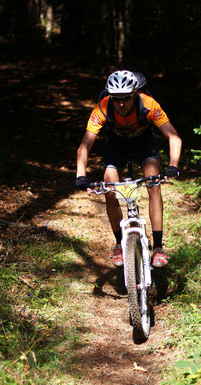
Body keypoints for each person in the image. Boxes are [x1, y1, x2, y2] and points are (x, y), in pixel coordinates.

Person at [75, 70, 182, 268]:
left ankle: (158, 248)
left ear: (134, 95)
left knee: (154, 183)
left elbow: (174, 137)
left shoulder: (149, 104)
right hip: (116, 146)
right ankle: (118, 244)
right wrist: (81, 174)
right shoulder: (102, 108)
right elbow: (85, 145)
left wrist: (172, 166)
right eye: (116, 99)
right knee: (109, 188)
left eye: (125, 98)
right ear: (110, 97)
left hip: (144, 144)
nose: (121, 104)